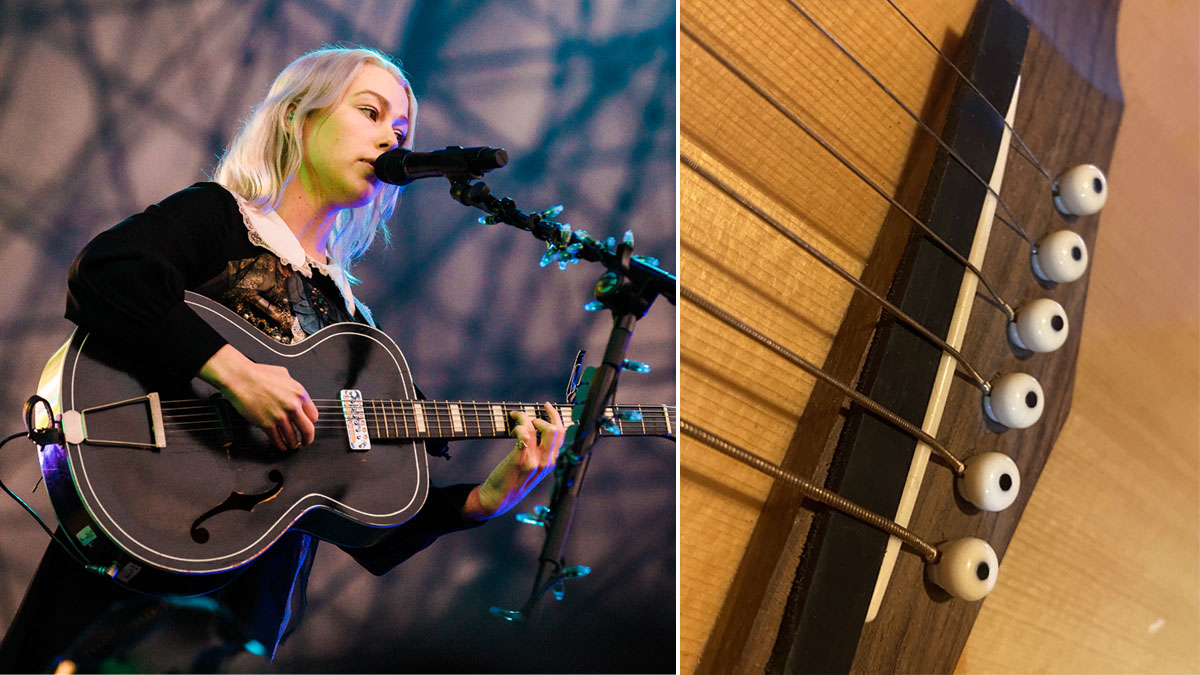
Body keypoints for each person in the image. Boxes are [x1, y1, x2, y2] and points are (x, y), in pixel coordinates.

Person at [0, 46, 565, 672]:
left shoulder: (354, 326)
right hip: (136, 548)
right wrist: (232, 371)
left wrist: (486, 499)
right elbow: (105, 275)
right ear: (298, 116)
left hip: (244, 608)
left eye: (401, 131)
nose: (389, 138)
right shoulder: (220, 219)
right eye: (371, 112)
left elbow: (362, 512)